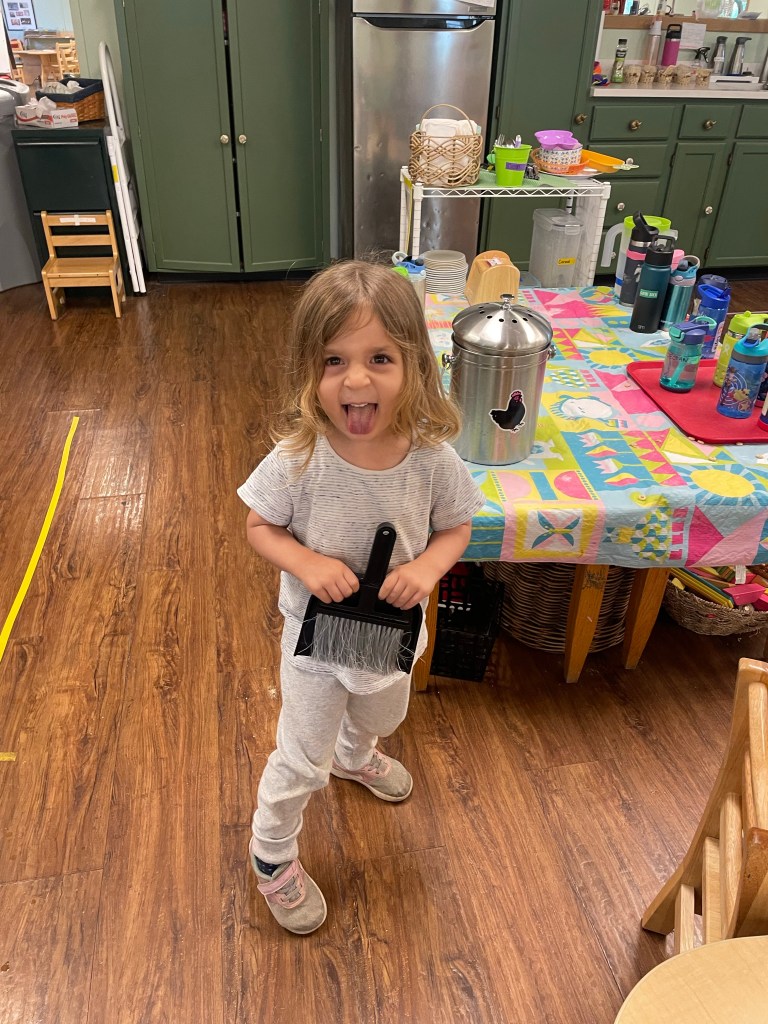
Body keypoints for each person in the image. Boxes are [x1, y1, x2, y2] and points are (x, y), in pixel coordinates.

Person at [237, 261, 483, 934]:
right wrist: (307, 562)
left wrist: (428, 567)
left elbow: (457, 527)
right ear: (309, 371)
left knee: (383, 713)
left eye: (379, 358)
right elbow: (259, 525)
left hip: (392, 638)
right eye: (334, 360)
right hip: (315, 647)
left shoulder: (433, 459)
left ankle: (355, 755)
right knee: (300, 756)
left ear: (414, 366)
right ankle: (271, 853)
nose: (355, 380)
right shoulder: (298, 457)